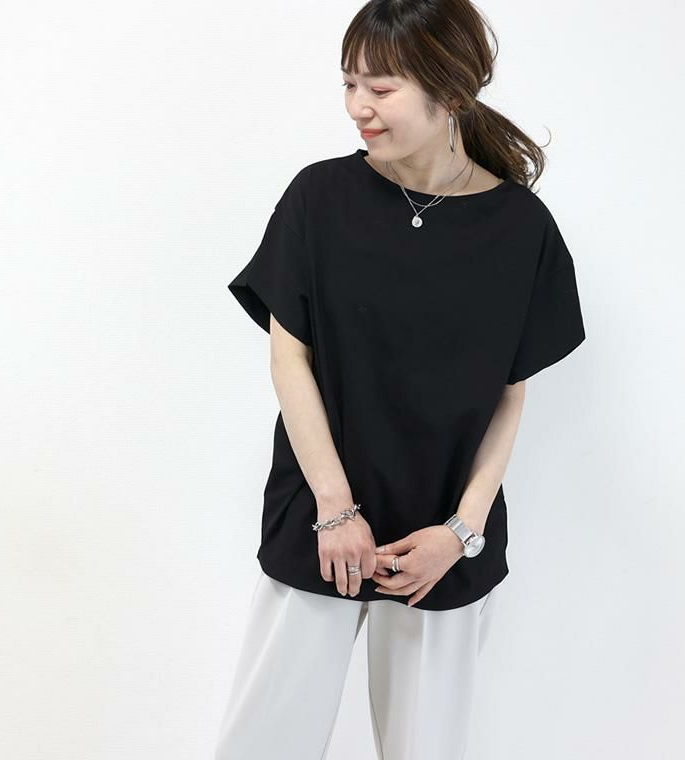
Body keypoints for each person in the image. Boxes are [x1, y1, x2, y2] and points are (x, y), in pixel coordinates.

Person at [216, 1, 587, 758]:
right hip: (320, 519)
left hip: (441, 540)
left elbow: (509, 391)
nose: (358, 106)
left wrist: (462, 532)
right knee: (265, 742)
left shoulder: (523, 230)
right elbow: (290, 359)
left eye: (380, 89)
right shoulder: (320, 197)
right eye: (349, 84)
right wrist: (334, 510)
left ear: (449, 91)